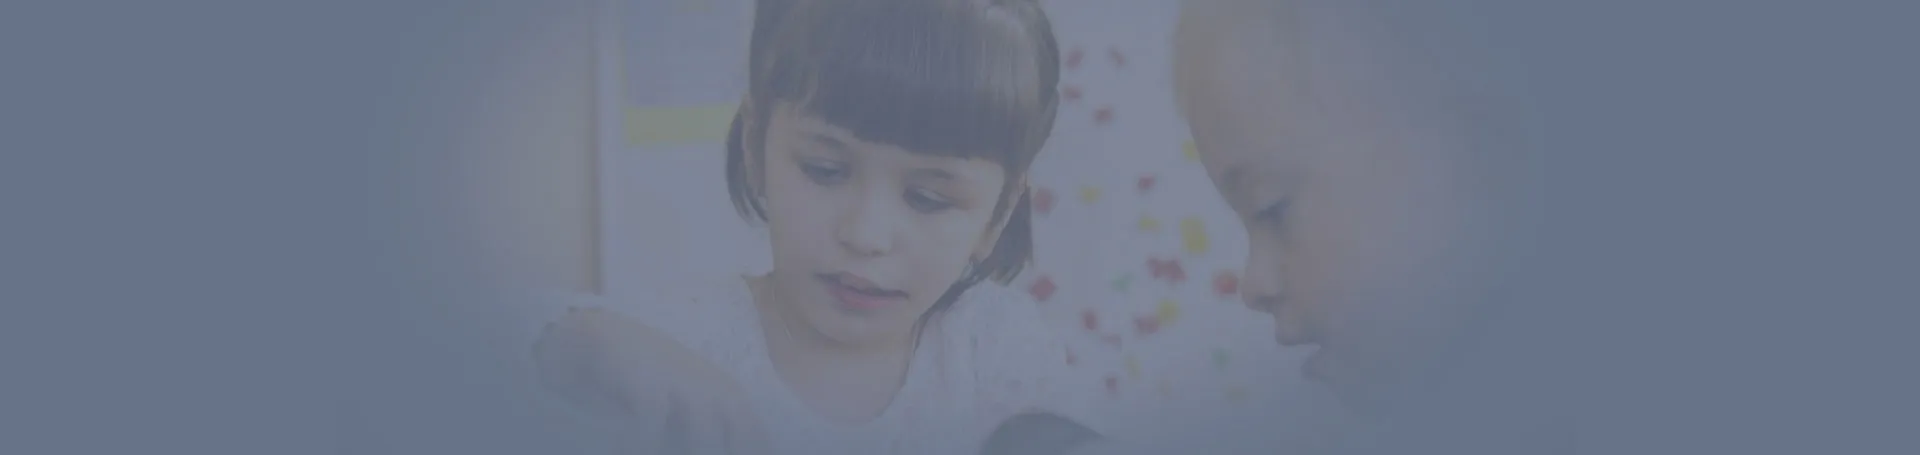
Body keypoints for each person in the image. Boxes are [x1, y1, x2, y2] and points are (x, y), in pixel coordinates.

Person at [533, 0, 1109, 453]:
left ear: (998, 214)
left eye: (929, 199)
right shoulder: (687, 339)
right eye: (824, 170)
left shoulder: (998, 352)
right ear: (756, 146)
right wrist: (583, 339)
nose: (865, 235)